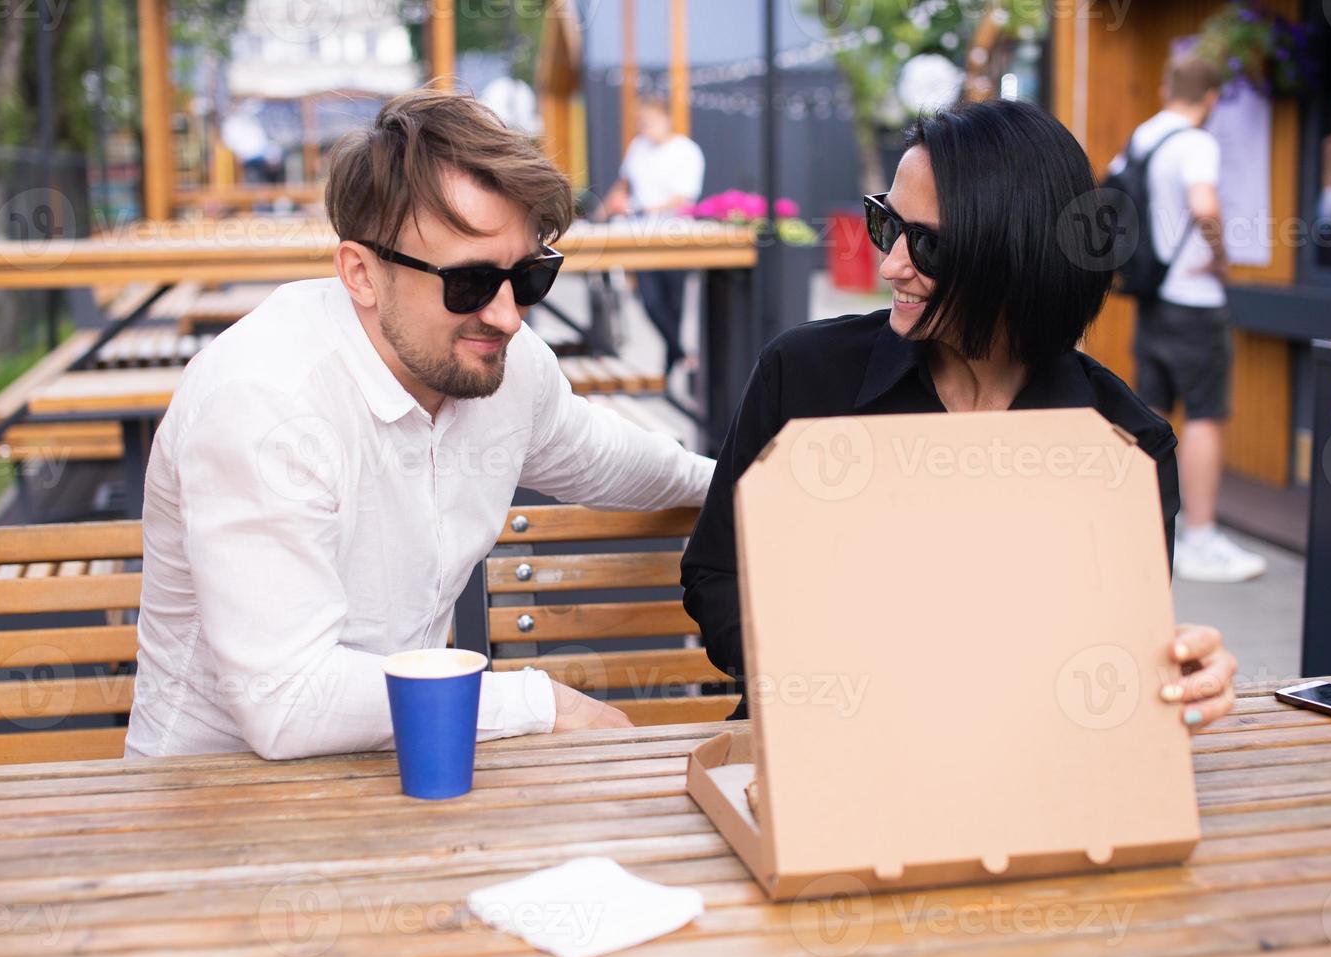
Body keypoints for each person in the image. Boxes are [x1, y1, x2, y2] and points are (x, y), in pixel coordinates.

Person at [126, 90, 715, 760]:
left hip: (412, 765)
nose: (507, 317)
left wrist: (737, 484)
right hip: (209, 807)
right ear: (360, 273)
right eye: (467, 283)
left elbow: (601, 454)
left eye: (528, 276)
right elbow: (287, 701)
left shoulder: (500, 363)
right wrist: (536, 703)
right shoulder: (265, 400)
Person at [681, 99, 1239, 731]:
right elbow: (717, 572)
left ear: (1015, 258)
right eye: (887, 226)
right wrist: (808, 682)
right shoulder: (804, 375)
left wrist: (1177, 675)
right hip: (809, 752)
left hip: (1016, 770)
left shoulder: (1128, 445)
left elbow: (1110, 661)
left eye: (927, 247)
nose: (890, 264)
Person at [1122, 53, 1266, 582]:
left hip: (1152, 295)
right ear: (1210, 98)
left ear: (1166, 87)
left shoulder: (1145, 135)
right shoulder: (1198, 142)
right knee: (1205, 415)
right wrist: (1221, 258)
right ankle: (1200, 538)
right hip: (1195, 300)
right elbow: (1204, 207)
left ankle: (1144, 524)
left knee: (1153, 411)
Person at [602, 95, 706, 376]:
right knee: (650, 300)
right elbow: (623, 183)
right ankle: (681, 354)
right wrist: (607, 207)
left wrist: (642, 207)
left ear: (666, 119)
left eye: (649, 121)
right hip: (640, 236)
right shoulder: (638, 147)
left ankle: (672, 362)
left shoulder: (687, 151)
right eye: (641, 122)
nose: (645, 127)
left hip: (675, 236)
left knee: (673, 303)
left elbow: (684, 197)